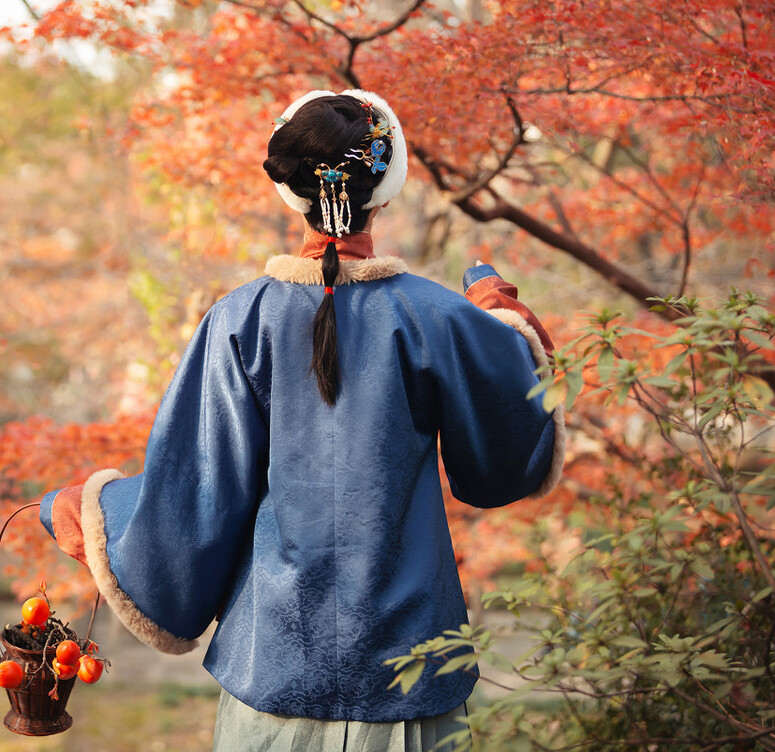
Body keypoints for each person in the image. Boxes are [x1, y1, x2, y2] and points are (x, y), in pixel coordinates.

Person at [38, 89, 565, 751]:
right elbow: (502, 458)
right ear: (387, 185)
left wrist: (85, 505)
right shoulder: (438, 317)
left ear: (291, 192)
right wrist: (497, 319)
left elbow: (194, 497)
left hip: (274, 675)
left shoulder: (238, 320)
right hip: (407, 678)